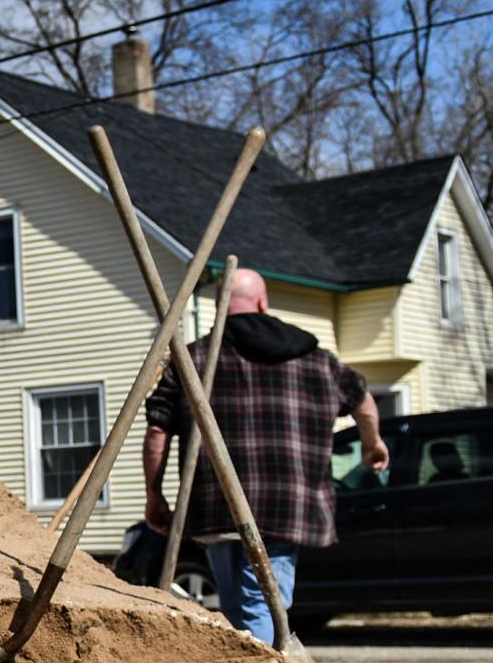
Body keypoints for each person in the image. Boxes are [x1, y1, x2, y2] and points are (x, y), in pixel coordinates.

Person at [142, 268, 389, 643]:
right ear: (262, 302)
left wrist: (154, 494)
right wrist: (373, 444)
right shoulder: (319, 362)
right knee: (260, 605)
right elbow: (364, 402)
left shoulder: (194, 361)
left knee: (237, 605)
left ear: (219, 307)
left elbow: (158, 430)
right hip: (286, 504)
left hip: (215, 503)